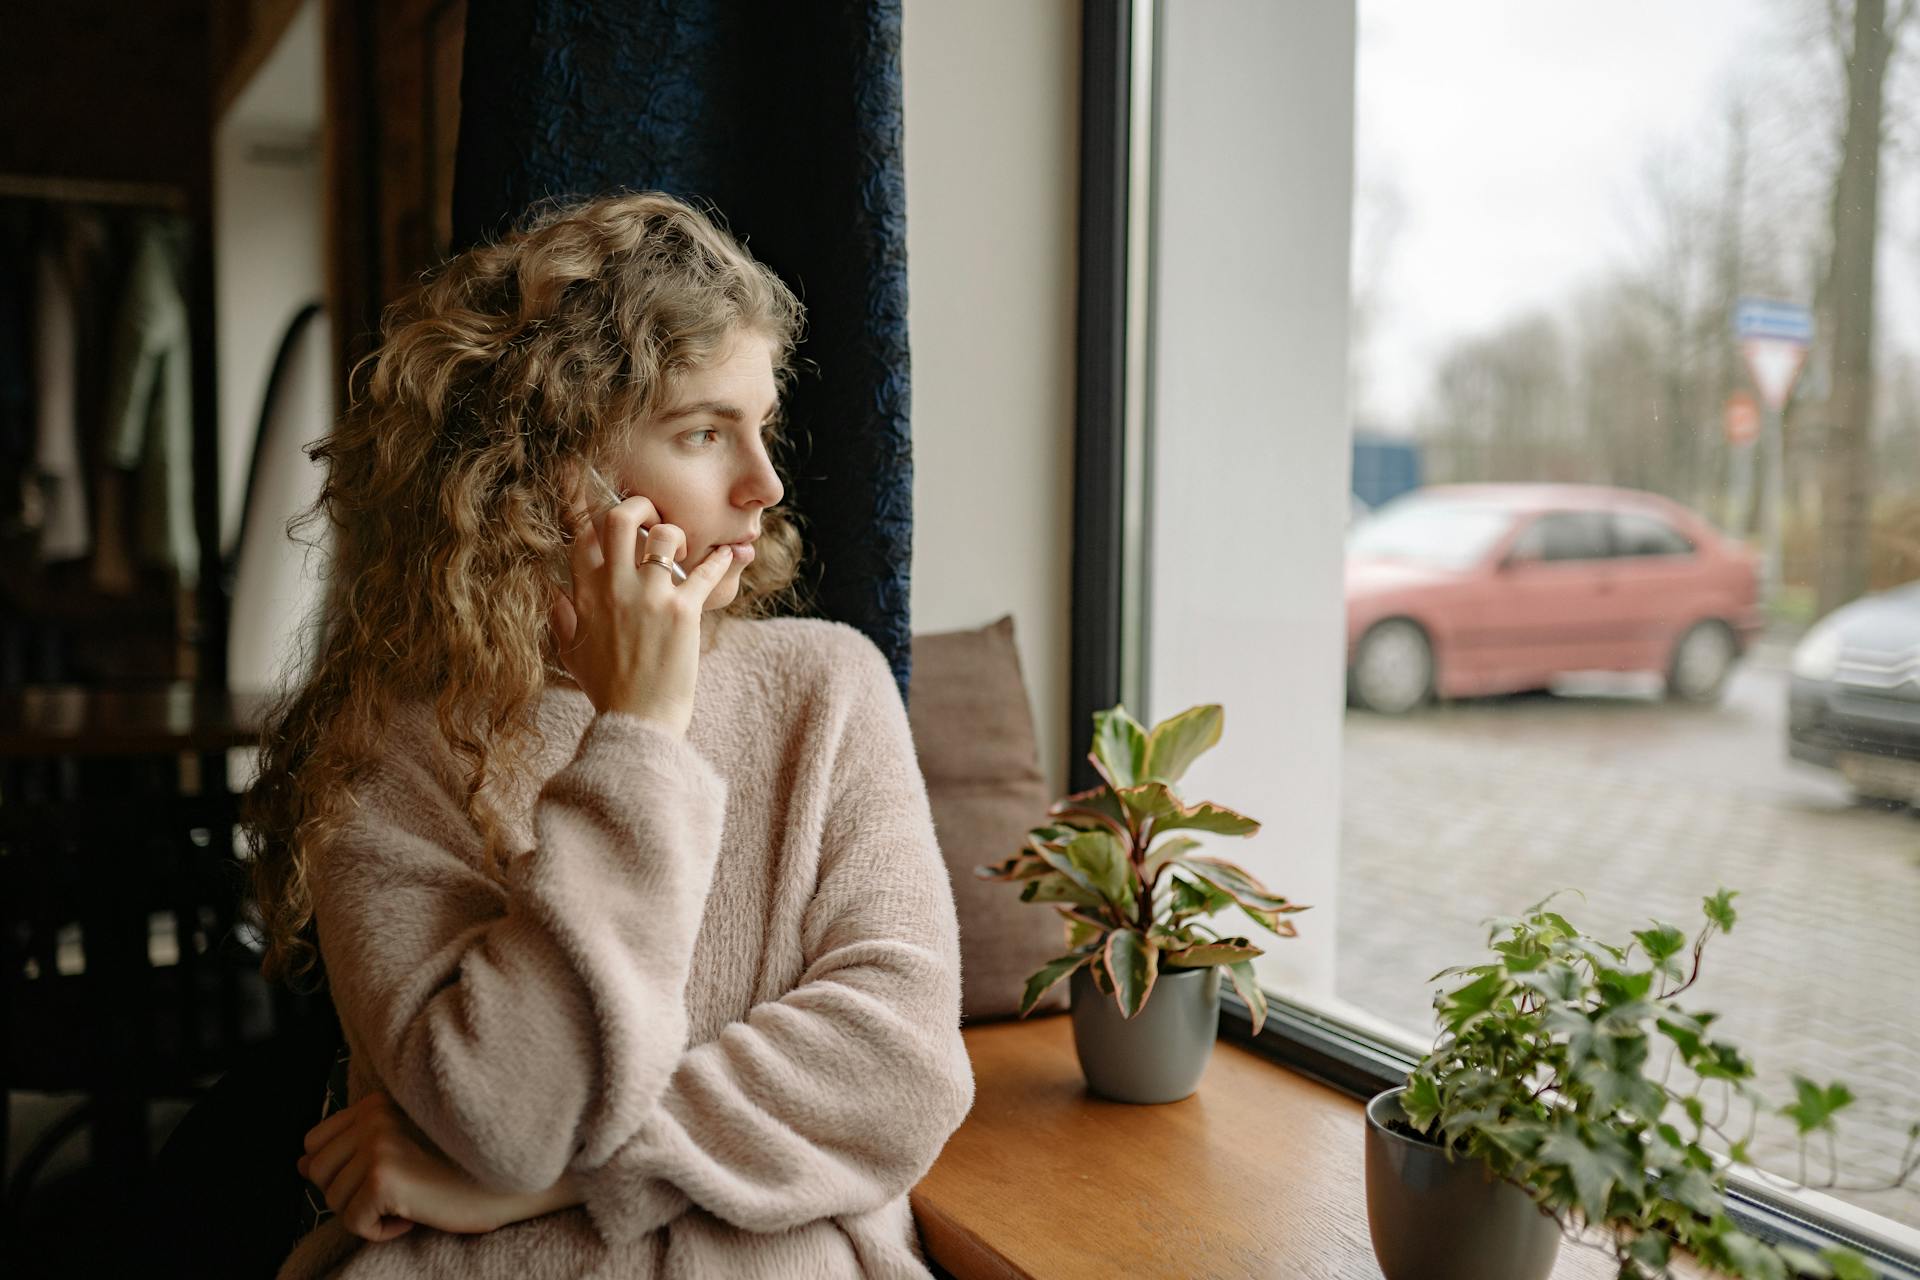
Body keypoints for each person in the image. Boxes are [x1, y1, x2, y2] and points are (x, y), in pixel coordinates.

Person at [245, 191, 975, 1279]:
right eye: (701, 431)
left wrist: (559, 1179)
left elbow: (902, 1070)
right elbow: (504, 1111)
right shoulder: (389, 744)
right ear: (546, 463)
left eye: (761, 425)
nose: (763, 484)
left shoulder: (828, 688)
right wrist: (640, 735)